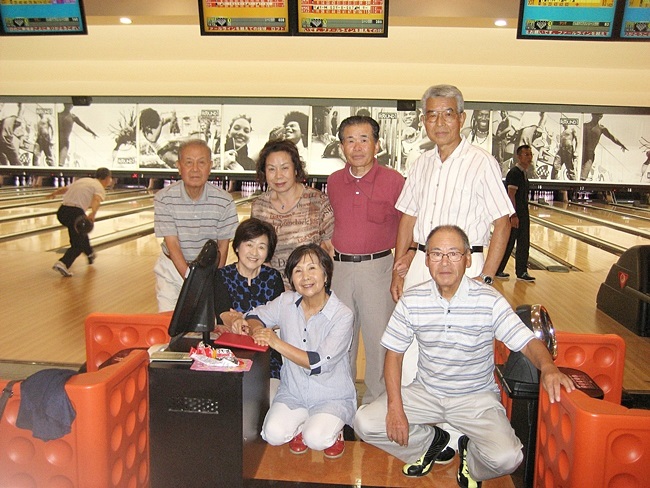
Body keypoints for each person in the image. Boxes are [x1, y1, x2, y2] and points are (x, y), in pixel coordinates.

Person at [354, 225, 574, 486]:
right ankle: (433, 443)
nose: (445, 262)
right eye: (436, 254)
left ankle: (472, 459)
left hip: (476, 397)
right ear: (427, 260)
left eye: (454, 254)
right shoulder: (413, 300)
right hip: (427, 392)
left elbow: (526, 342)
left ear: (468, 259)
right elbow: (394, 355)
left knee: (508, 457)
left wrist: (548, 367)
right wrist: (395, 407)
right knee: (365, 422)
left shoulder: (488, 300)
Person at [389, 84, 514, 459]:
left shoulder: (481, 162)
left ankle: (459, 435)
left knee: (458, 349)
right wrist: (399, 266)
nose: (439, 121)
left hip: (464, 266)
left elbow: (502, 222)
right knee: (410, 347)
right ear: (423, 120)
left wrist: (486, 278)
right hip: (421, 263)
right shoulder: (422, 162)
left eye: (447, 113)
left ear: (462, 118)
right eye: (432, 114)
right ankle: (424, 429)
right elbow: (408, 218)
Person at [230, 244, 356, 459]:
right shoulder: (286, 302)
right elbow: (254, 316)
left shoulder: (342, 315)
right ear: (291, 279)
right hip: (293, 392)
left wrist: (274, 341)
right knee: (273, 434)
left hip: (330, 396)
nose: (305, 277)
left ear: (326, 274)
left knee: (316, 439)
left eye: (312, 268)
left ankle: (335, 432)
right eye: (298, 271)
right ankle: (299, 426)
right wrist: (259, 330)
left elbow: (317, 362)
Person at [326, 115, 404, 404]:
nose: (357, 147)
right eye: (350, 140)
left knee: (378, 340)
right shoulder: (334, 181)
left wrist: (404, 261)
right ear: (341, 147)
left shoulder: (394, 181)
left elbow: (408, 226)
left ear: (377, 144)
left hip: (378, 268)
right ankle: (341, 403)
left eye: (364, 139)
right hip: (339, 269)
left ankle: (376, 405)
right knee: (340, 339)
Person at [153, 139, 238, 312]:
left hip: (207, 271)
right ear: (179, 166)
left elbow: (222, 246)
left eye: (201, 162)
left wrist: (213, 279)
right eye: (188, 162)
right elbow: (173, 245)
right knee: (168, 322)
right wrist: (191, 279)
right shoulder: (163, 198)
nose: (195, 169)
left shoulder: (225, 201)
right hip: (172, 269)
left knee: (206, 324)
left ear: (210, 166)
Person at [251, 138, 334, 289]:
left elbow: (330, 249)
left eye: (284, 168)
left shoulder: (318, 201)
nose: (278, 176)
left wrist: (324, 288)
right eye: (271, 169)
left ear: (296, 169)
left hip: (310, 288)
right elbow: (258, 253)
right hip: (273, 289)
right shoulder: (259, 206)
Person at [215, 218, 285, 394]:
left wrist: (251, 323)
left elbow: (279, 319)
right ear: (237, 246)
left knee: (268, 396)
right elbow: (223, 313)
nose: (254, 252)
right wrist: (235, 321)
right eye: (249, 244)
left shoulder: (273, 277)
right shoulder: (222, 276)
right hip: (230, 354)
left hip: (267, 355)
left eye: (261, 247)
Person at [49, 167, 113, 277]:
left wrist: (54, 193)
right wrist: (93, 213)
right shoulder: (99, 187)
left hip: (62, 211)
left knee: (81, 232)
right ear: (107, 178)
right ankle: (63, 263)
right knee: (78, 244)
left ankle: (89, 253)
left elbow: (65, 189)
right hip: (75, 213)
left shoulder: (83, 180)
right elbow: (96, 199)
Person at [495, 145, 535, 282]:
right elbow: (510, 195)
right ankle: (499, 269)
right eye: (526, 154)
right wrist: (513, 215)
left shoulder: (523, 173)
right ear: (519, 156)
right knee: (510, 242)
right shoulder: (515, 173)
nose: (529, 157)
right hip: (516, 214)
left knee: (523, 242)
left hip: (522, 212)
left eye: (530, 154)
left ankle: (521, 271)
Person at [581, 113, 628, 181]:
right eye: (596, 115)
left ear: (601, 117)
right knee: (580, 173)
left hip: (589, 154)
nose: (597, 117)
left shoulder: (601, 128)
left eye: (598, 116)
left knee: (583, 175)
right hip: (583, 152)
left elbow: (612, 138)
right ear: (592, 115)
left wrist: (621, 145)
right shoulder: (586, 125)